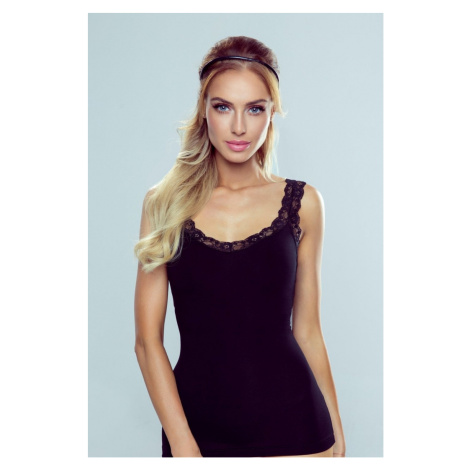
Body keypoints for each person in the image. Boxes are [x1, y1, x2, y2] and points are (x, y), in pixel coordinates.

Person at [133, 36, 346, 458]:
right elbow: (147, 342)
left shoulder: (304, 203)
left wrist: (337, 436)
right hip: (196, 431)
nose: (238, 127)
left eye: (255, 109)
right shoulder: (163, 204)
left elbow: (307, 330)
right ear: (204, 109)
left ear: (271, 113)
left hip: (299, 429)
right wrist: (183, 445)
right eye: (223, 107)